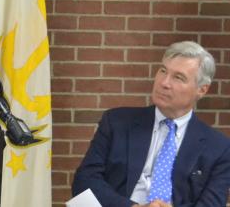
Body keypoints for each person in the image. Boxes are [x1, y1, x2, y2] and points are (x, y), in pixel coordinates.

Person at [72, 41, 230, 207]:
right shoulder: (116, 122)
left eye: (178, 77)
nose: (164, 83)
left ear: (202, 90)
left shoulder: (219, 148)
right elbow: (85, 180)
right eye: (163, 71)